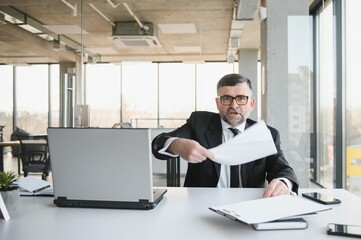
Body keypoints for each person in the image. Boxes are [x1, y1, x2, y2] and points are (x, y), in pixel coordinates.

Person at [152, 73, 299, 197]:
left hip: (249, 206)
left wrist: (283, 182)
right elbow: (159, 143)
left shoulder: (267, 134)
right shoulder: (199, 123)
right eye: (226, 98)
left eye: (241, 98)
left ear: (251, 104)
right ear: (217, 103)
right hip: (202, 207)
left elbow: (282, 168)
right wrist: (176, 145)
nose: (234, 105)